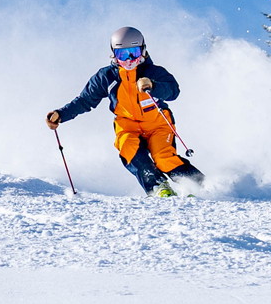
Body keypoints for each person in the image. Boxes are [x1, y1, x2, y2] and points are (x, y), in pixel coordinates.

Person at [46, 27, 205, 196]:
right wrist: (61, 114)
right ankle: (158, 186)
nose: (129, 60)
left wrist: (153, 85)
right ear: (113, 54)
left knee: (163, 158)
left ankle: (200, 185)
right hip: (127, 125)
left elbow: (173, 91)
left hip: (158, 124)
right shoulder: (107, 77)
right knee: (128, 147)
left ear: (143, 51)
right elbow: (85, 100)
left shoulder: (154, 72)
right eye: (123, 54)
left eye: (133, 53)